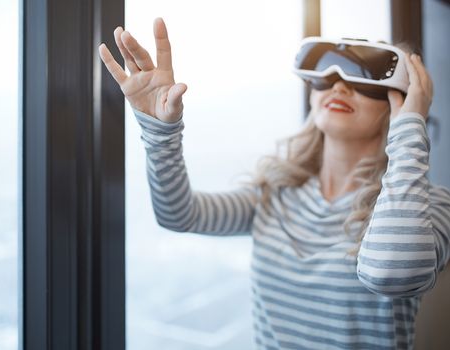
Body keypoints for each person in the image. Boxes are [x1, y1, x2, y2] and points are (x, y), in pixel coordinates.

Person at [99, 17, 450, 349]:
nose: (339, 85)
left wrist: (411, 126)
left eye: (363, 79)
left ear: (400, 102)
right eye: (325, 76)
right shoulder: (274, 194)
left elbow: (391, 275)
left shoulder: (428, 208)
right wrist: (160, 131)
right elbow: (180, 214)